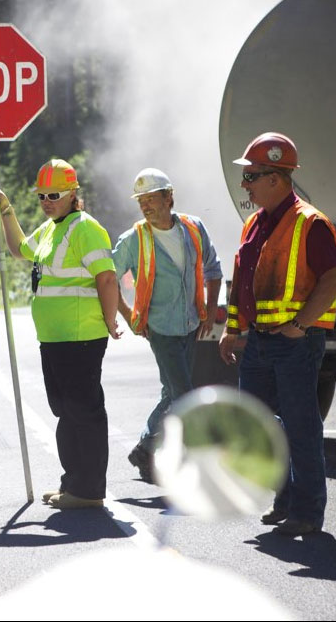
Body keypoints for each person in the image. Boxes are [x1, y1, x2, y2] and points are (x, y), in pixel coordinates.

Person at [218, 132, 336, 537]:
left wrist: (300, 325)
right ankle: (286, 498)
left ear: (275, 178)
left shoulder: (311, 223)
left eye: (251, 176)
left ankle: (305, 512)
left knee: (300, 424)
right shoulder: (253, 224)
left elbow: (333, 279)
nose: (245, 184)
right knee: (257, 421)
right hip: (259, 340)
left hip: (294, 343)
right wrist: (232, 328)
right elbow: (241, 281)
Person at [0, 158, 122, 510]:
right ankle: (73, 484)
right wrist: (6, 210)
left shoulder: (86, 228)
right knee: (66, 412)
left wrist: (110, 320)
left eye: (54, 195)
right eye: (42, 196)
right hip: (54, 339)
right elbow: (19, 249)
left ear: (73, 194)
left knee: (84, 412)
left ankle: (89, 491)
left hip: (80, 337)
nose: (46, 202)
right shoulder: (51, 229)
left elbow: (107, 278)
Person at [111, 168, 222, 483]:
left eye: (150, 198)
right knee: (183, 395)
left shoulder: (193, 228)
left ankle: (145, 449)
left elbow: (213, 269)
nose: (145, 206)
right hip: (160, 328)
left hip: (190, 324)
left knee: (171, 393)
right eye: (141, 201)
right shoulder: (133, 239)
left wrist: (210, 310)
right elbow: (106, 278)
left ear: (168, 197)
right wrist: (128, 315)